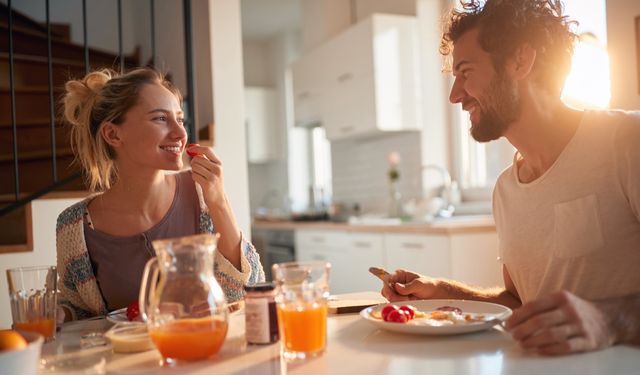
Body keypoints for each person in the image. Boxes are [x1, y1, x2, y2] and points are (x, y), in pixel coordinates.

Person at [382, 0, 640, 355]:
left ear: (521, 61)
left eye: (466, 72)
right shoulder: (506, 188)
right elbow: (520, 301)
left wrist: (607, 321)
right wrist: (443, 290)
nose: (455, 96)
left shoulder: (627, 141)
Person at [56, 67, 265, 321]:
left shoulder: (202, 193)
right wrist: (55, 314)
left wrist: (219, 202)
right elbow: (77, 310)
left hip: (207, 351)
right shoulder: (73, 227)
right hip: (129, 359)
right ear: (113, 134)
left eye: (180, 119)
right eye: (160, 119)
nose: (180, 133)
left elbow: (252, 289)